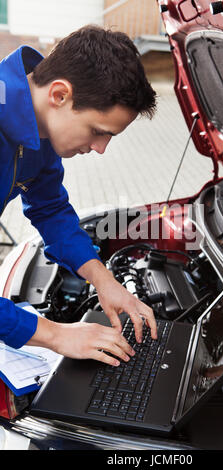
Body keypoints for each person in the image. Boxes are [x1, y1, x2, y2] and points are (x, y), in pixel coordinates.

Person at [0, 25, 157, 367]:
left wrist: (103, 279)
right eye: (98, 131)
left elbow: (50, 209)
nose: (100, 148)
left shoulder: (36, 128)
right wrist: (56, 335)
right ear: (59, 95)